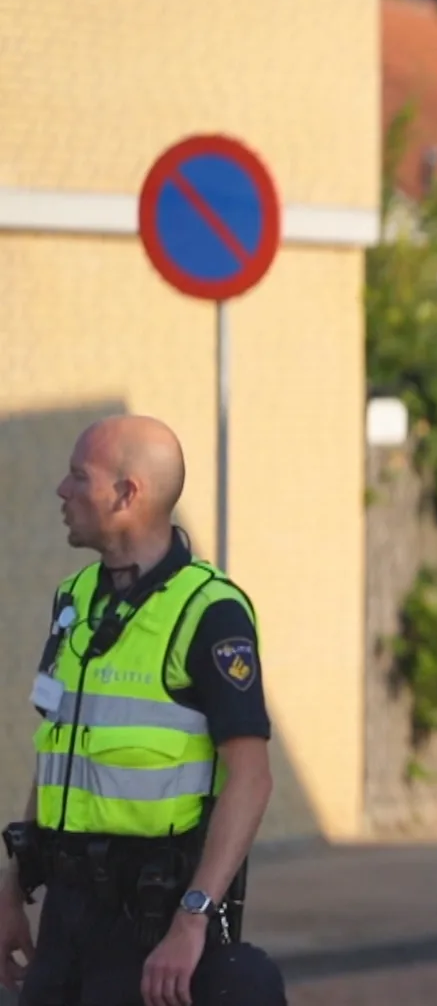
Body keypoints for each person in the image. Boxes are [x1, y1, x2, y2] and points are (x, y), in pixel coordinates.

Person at [0, 415, 284, 1006]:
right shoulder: (74, 598)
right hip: (66, 918)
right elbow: (59, 747)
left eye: (79, 476)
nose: (62, 490)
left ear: (127, 493)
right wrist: (14, 885)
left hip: (149, 924)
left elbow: (251, 778)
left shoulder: (210, 611)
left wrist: (192, 920)